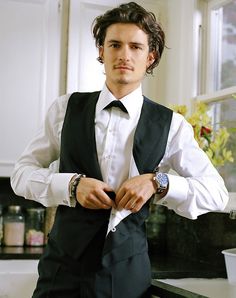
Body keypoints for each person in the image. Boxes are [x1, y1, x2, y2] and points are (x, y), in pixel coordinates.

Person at [11, 2, 228, 298]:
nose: (124, 55)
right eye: (115, 44)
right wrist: (72, 185)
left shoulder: (172, 125)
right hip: (60, 273)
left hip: (126, 277)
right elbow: (21, 175)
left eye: (136, 47)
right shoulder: (64, 109)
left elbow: (216, 193)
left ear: (150, 57)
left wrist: (158, 182)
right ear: (102, 51)